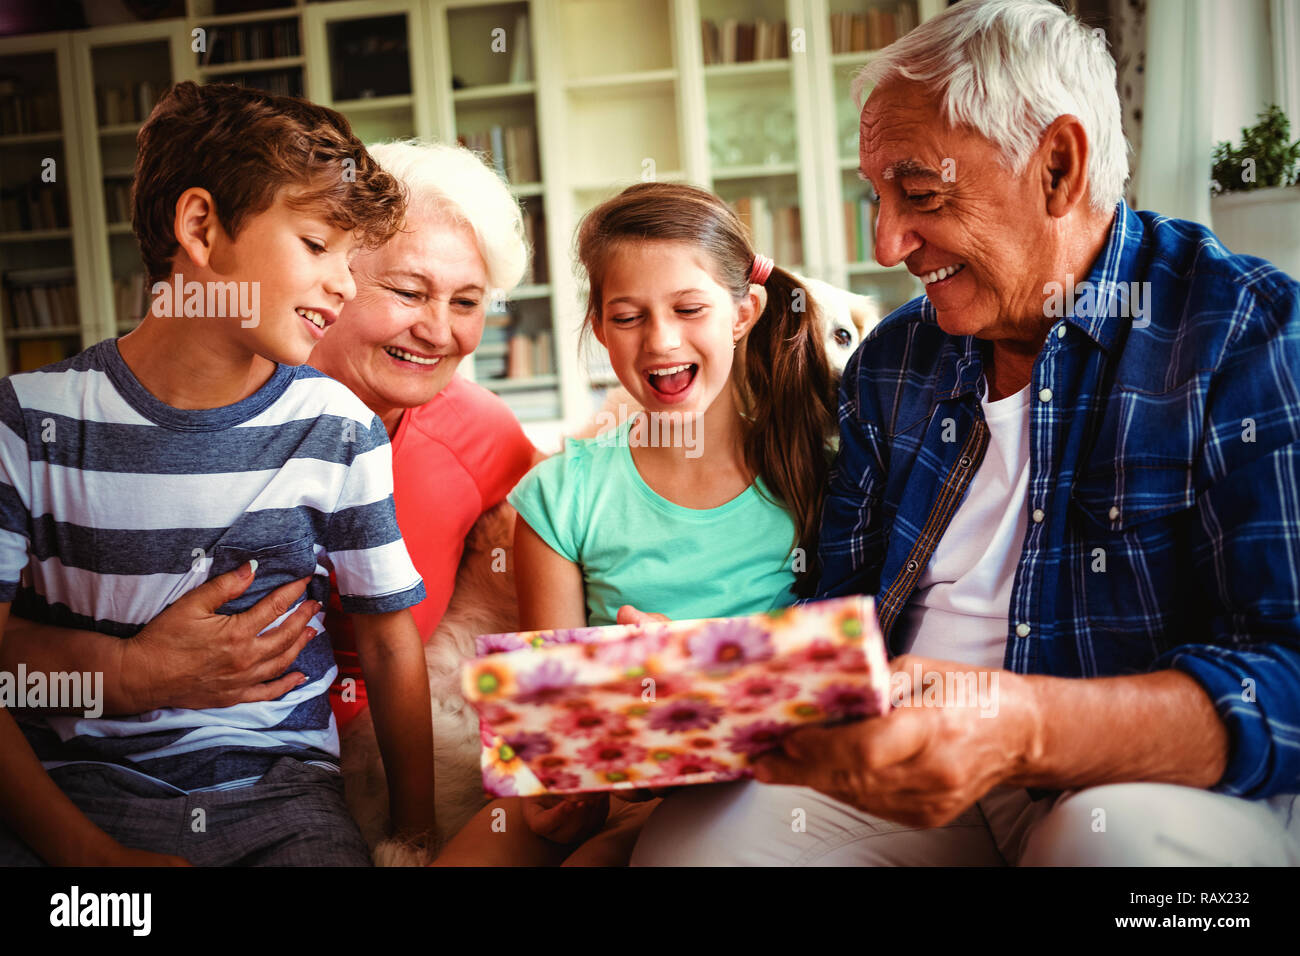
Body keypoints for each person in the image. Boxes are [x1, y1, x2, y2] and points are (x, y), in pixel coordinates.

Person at [629, 0, 1300, 866]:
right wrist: (719, 680)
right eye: (877, 196)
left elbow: (1288, 673)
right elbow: (840, 611)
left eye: (921, 194)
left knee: (1117, 852)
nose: (885, 241)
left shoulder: (1245, 331)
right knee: (693, 852)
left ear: (1057, 166)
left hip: (1135, 777)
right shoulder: (895, 361)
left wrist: (1024, 727)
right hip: (906, 762)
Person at [0, 82, 435, 866]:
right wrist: (92, 860)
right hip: (70, 797)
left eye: (351, 258)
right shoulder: (26, 424)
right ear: (200, 226)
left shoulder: (337, 429)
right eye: (315, 245)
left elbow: (391, 642)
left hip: (279, 794)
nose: (343, 284)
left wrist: (414, 832)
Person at [432, 181, 837, 865]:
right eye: (628, 317)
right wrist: (557, 795)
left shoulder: (814, 472)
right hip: (622, 779)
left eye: (689, 309)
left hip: (767, 775)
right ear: (597, 325)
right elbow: (552, 723)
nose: (660, 341)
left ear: (744, 313)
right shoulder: (561, 496)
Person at [307, 140, 540, 730]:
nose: (438, 331)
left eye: (466, 302)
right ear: (333, 277)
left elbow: (579, 529)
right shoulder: (241, 409)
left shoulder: (482, 431)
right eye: (409, 292)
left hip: (385, 760)